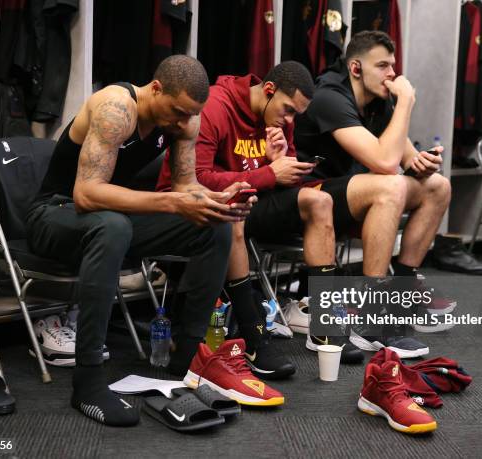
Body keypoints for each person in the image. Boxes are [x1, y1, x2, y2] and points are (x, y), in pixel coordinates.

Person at [26, 55, 251, 427]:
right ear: (156, 88)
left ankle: (190, 356)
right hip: (54, 214)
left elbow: (184, 187)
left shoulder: (184, 118)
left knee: (213, 225)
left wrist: (218, 199)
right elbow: (86, 194)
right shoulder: (116, 109)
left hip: (110, 220)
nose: (184, 122)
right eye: (178, 111)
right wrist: (171, 202)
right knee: (114, 226)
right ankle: (88, 381)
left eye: (190, 115)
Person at [156, 61, 366, 367]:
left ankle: (325, 329)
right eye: (288, 110)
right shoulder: (216, 106)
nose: (291, 119)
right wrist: (268, 173)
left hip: (255, 200)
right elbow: (194, 179)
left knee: (320, 202)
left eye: (297, 114)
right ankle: (254, 336)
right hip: (198, 205)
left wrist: (282, 162)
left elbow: (281, 177)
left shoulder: (280, 119)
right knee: (235, 210)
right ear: (268, 90)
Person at [295, 30, 453, 353]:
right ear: (355, 68)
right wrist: (406, 102)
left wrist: (422, 163)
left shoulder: (380, 101)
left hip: (357, 192)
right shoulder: (330, 96)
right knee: (390, 185)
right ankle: (371, 320)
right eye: (383, 66)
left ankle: (400, 298)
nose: (392, 74)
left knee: (438, 187)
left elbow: (404, 159)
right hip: (312, 197)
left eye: (393, 65)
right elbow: (384, 161)